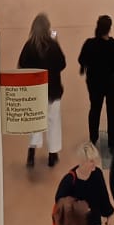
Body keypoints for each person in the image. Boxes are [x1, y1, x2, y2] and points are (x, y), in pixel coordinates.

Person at [20, 12, 68, 168]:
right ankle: (52, 154)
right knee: (53, 121)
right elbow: (62, 64)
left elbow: (22, 66)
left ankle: (31, 153)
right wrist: (57, 42)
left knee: (35, 123)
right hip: (53, 91)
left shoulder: (29, 46)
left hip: (35, 92)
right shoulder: (53, 46)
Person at [79, 14, 114, 150]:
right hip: (111, 85)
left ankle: (93, 139)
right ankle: (112, 143)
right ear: (109, 29)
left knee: (95, 110)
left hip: (94, 83)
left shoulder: (89, 44)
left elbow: (82, 60)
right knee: (113, 113)